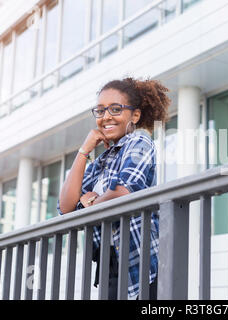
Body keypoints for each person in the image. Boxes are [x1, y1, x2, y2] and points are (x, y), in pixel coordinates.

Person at [57, 77, 171, 300]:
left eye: (116, 109)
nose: (106, 116)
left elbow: (123, 192)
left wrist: (87, 203)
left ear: (135, 116)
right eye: (100, 111)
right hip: (110, 264)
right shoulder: (102, 160)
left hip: (142, 262)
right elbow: (66, 207)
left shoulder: (139, 140)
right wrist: (84, 151)